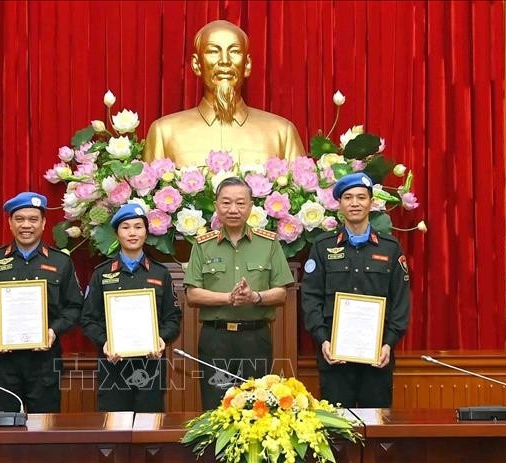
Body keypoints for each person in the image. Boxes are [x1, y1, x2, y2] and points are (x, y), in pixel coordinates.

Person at [301, 173, 411, 408]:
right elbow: (310, 299)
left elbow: (401, 302)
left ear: (371, 203)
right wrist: (322, 340)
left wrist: (388, 343)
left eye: (361, 197)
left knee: (378, 431)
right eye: (348, 197)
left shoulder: (390, 248)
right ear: (339, 204)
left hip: (377, 356)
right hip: (334, 356)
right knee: (338, 432)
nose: (354, 203)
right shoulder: (323, 246)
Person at [0, 192, 83, 413]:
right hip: (5, 363)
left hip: (45, 363)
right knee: (2, 433)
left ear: (44, 222)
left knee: (46, 434)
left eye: (33, 219)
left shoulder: (61, 262)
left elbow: (75, 306)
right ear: (10, 223)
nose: (26, 225)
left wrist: (53, 330)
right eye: (19, 219)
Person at [183, 177, 293, 409]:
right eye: (226, 203)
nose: (233, 209)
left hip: (255, 337)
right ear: (216, 206)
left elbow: (281, 293)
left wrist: (255, 297)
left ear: (251, 206)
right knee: (215, 408)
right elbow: (192, 295)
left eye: (240, 203)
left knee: (257, 407)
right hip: (216, 339)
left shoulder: (269, 243)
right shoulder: (202, 245)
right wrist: (227, 298)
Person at [144, 20, 304, 167]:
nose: (225, 60)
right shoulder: (164, 133)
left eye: (234, 51)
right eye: (213, 51)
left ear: (247, 65)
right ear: (196, 64)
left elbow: (302, 195)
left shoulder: (282, 133)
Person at [80, 203, 182, 412]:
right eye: (125, 227)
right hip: (113, 367)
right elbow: (88, 319)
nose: (132, 233)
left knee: (149, 433)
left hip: (150, 367)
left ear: (146, 232)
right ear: (117, 233)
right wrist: (105, 342)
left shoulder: (160, 273)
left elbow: (172, 318)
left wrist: (161, 339)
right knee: (113, 433)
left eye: (138, 226)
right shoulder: (102, 274)